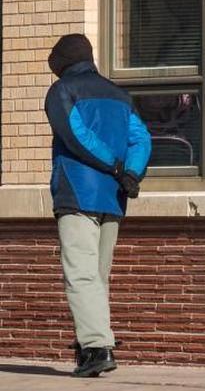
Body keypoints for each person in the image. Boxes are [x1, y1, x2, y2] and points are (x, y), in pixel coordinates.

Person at [44, 34, 152, 377]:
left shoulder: (62, 91)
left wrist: (114, 166)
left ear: (61, 62)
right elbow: (142, 138)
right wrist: (131, 173)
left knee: (80, 274)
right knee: (97, 277)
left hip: (78, 192)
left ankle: (95, 348)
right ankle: (91, 343)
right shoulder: (120, 94)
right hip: (114, 197)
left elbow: (76, 135)